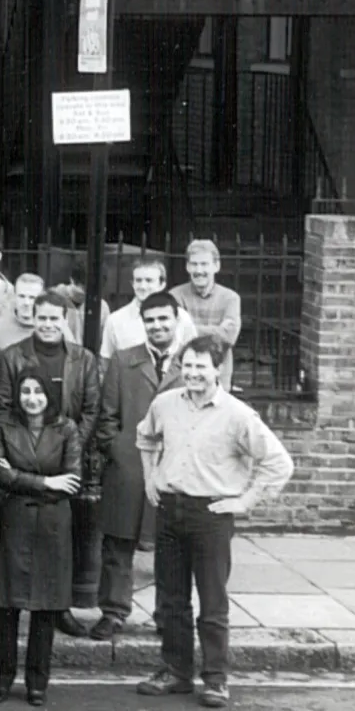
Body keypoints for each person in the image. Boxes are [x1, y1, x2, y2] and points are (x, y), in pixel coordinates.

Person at [134, 336, 293, 709]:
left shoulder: (238, 415)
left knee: (212, 601)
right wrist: (150, 478)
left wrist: (245, 501)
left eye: (201, 366)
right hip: (170, 510)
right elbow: (145, 438)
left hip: (212, 515)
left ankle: (216, 679)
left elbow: (279, 463)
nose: (192, 373)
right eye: (187, 365)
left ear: (218, 369)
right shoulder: (165, 404)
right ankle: (175, 672)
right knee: (170, 599)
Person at [0, 290, 102, 637]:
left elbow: (92, 409)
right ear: (32, 318)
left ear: (65, 321)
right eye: (42, 318)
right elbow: (4, 406)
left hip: (66, 460)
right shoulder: (12, 356)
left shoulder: (83, 359)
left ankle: (58, 608)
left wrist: (67, 445)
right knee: (18, 549)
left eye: (55, 318)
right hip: (22, 453)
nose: (48, 324)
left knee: (60, 545)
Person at [89, 291, 186, 642]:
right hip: (129, 468)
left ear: (177, 320)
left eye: (164, 319)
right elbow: (106, 418)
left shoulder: (192, 363)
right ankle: (113, 612)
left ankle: (167, 614)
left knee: (171, 547)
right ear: (142, 324)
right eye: (151, 320)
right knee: (118, 544)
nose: (158, 326)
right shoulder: (123, 360)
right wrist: (119, 450)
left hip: (175, 470)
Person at [0, 365, 81, 705]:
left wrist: (19, 477)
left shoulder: (67, 429)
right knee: (7, 607)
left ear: (49, 395)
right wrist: (44, 482)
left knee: (45, 608)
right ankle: (1, 679)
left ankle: (37, 682)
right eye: (25, 392)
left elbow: (71, 481)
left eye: (38, 392)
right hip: (13, 523)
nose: (32, 399)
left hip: (53, 527)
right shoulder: (1, 427)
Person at [170, 241, 243, 388]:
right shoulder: (175, 296)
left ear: (216, 266)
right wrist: (217, 330)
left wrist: (188, 327)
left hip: (218, 375)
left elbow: (229, 336)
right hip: (184, 374)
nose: (198, 270)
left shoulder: (230, 298)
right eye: (194, 264)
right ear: (187, 267)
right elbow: (175, 334)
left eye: (204, 264)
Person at [101, 256, 197, 360]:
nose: (143, 286)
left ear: (162, 284)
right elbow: (106, 361)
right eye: (138, 280)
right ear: (132, 284)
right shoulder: (115, 320)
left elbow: (194, 355)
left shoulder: (181, 318)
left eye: (149, 281)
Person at [0, 272, 44, 352]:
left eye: (32, 298)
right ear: (14, 296)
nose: (26, 302)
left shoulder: (52, 330)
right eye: (21, 296)